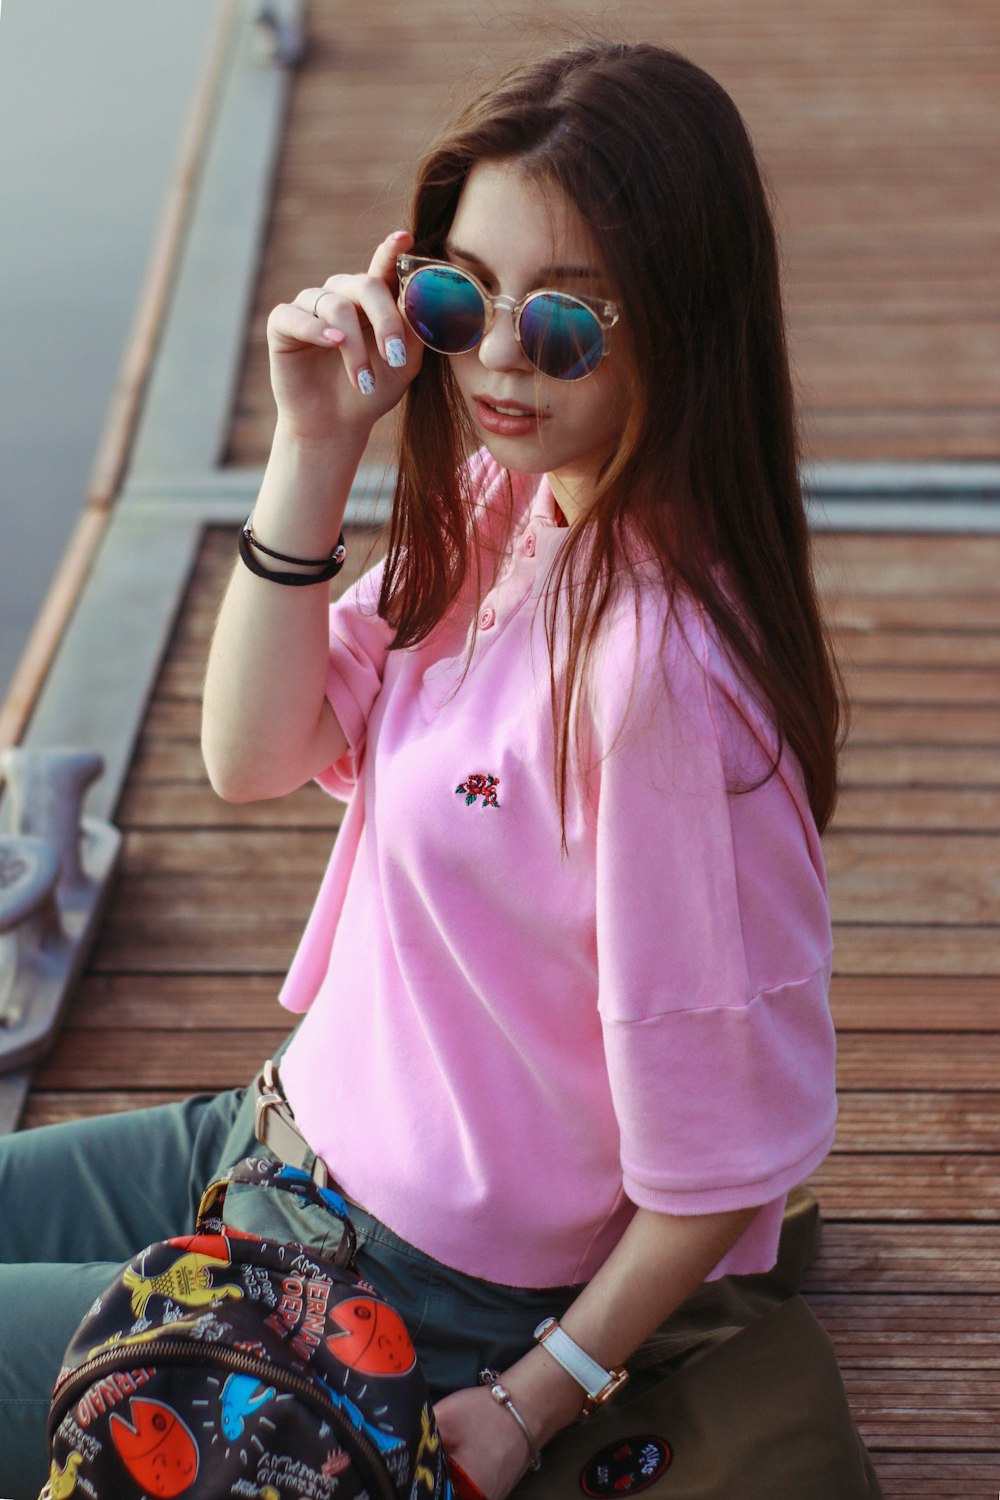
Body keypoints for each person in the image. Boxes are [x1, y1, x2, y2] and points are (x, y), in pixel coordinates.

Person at [0, 40, 872, 1500]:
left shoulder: (653, 681)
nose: (501, 362)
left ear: (681, 320)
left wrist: (538, 1398)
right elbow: (251, 754)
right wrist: (314, 448)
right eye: (459, 302)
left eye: (568, 326)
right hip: (266, 1141)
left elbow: (726, 1161)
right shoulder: (501, 506)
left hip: (410, 1293)